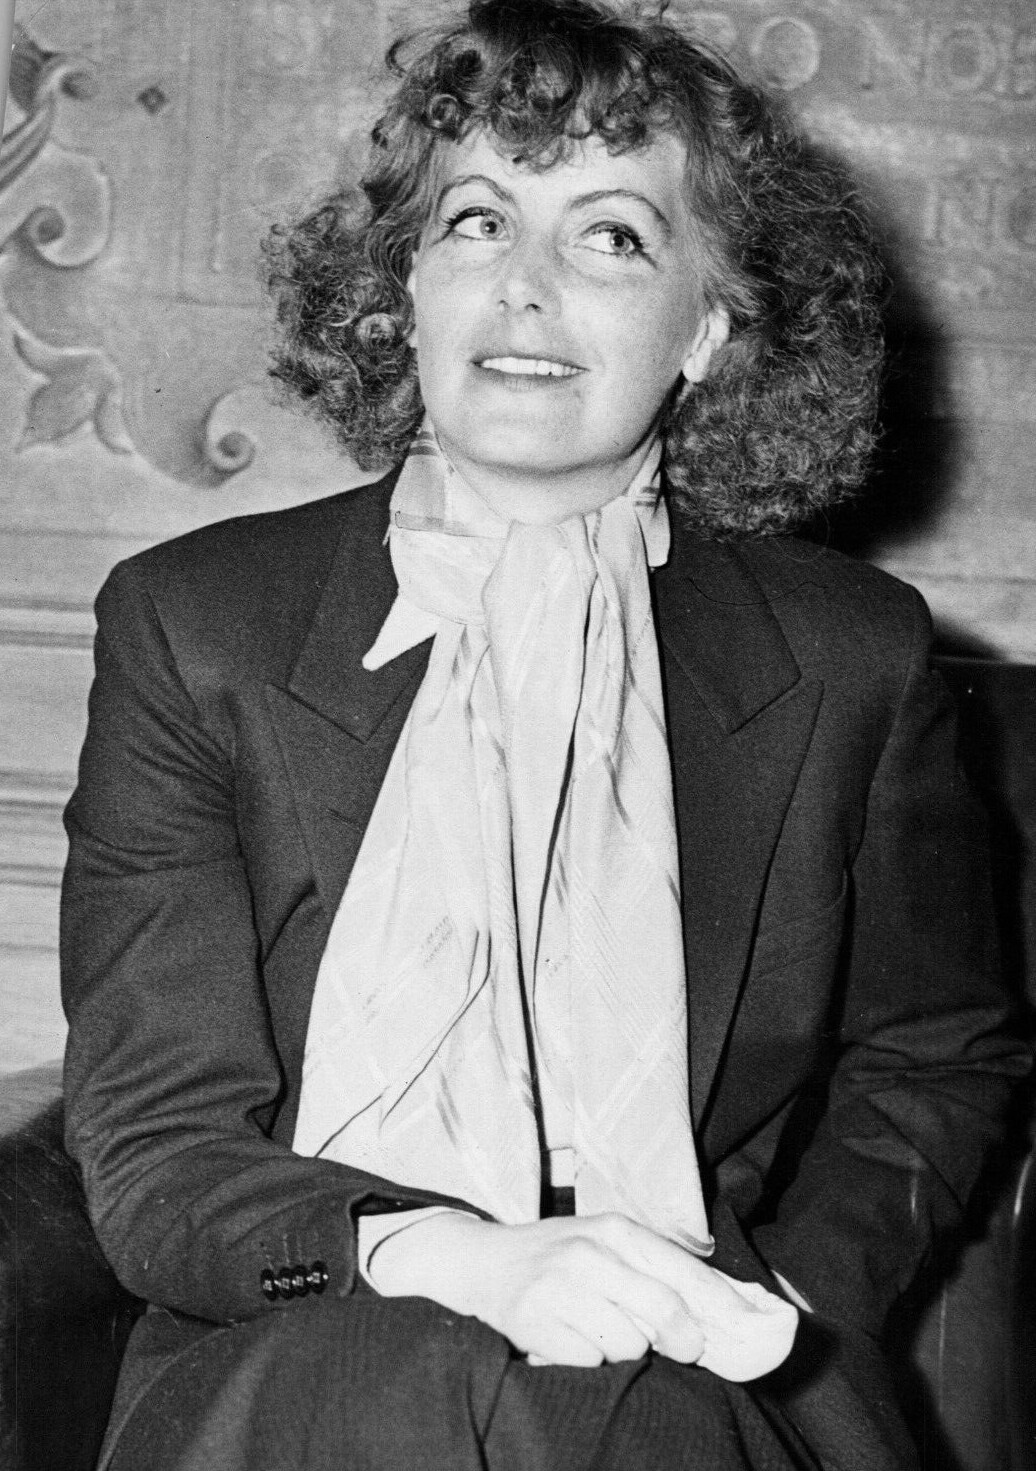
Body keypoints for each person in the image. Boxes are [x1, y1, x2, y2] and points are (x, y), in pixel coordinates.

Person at [60, 3, 1028, 1469]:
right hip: (305, 1343)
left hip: (701, 1363)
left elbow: (937, 1055)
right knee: (398, 1389)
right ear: (403, 289)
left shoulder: (852, 660)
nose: (524, 287)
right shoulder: (194, 627)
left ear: (710, 327)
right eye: (476, 222)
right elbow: (156, 1142)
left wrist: (783, 1297)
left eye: (611, 237)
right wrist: (462, 1261)